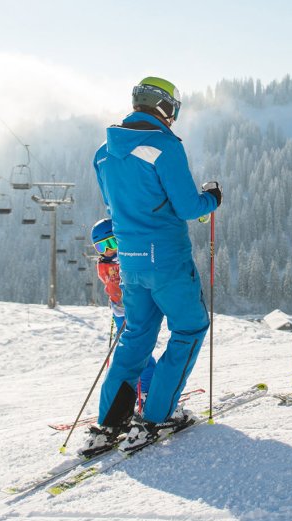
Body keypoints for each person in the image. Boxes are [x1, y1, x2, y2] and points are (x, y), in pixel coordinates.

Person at [81, 76, 222, 456]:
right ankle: (156, 416)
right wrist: (212, 198)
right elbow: (189, 207)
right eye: (173, 109)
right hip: (167, 258)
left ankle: (108, 424)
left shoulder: (103, 153)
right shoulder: (163, 146)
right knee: (190, 328)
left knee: (136, 337)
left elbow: (116, 206)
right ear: (164, 108)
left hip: (129, 259)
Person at [90, 217, 156, 403]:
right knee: (126, 353)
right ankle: (137, 390)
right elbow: (108, 284)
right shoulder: (103, 264)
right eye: (102, 247)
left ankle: (149, 390)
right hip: (119, 313)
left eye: (112, 242)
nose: (109, 250)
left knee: (140, 352)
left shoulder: (129, 257)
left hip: (135, 311)